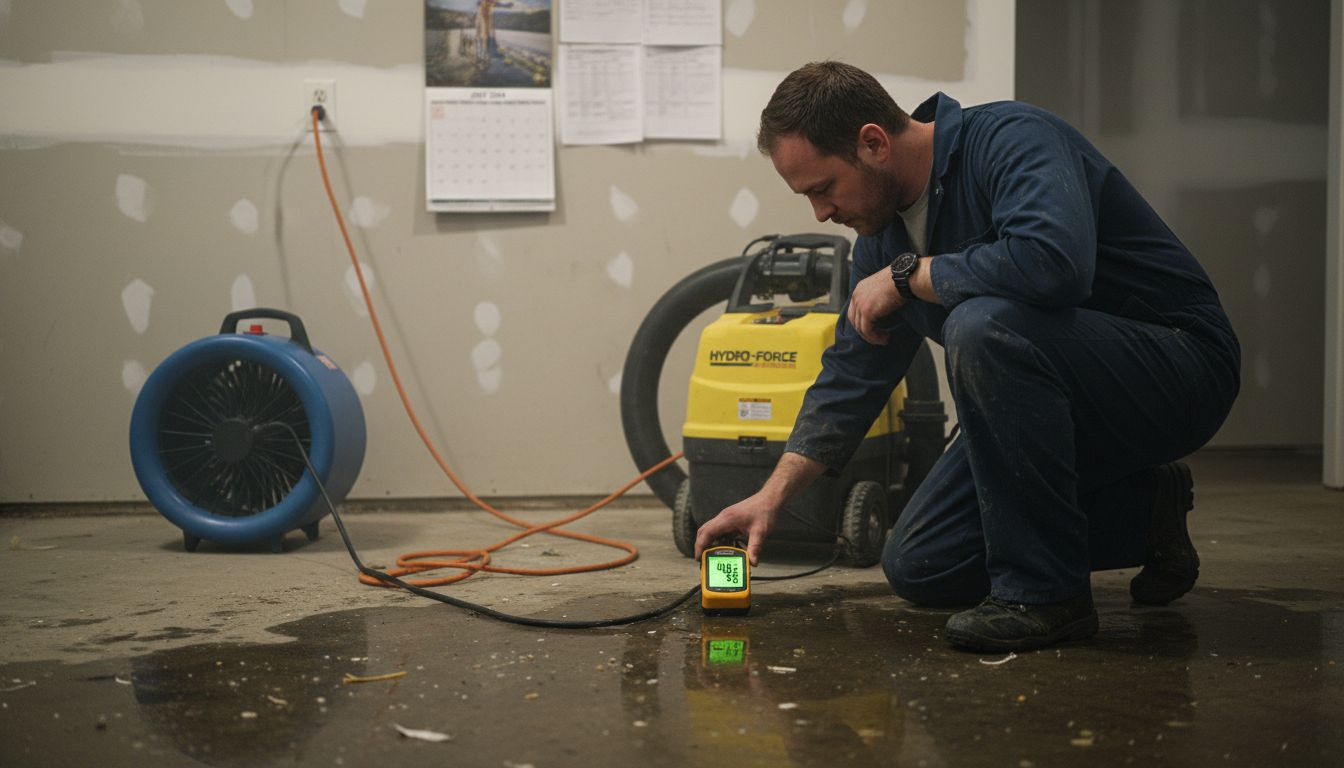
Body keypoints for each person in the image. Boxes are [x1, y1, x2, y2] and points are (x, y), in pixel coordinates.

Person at [693, 61, 1241, 653]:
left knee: (983, 325)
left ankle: (1045, 593)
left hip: (1178, 368)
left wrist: (910, 277)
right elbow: (852, 378)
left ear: (872, 143)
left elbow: (1053, 263)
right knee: (921, 563)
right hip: (1056, 404)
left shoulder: (1013, 139)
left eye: (823, 188)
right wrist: (769, 499)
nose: (820, 214)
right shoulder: (880, 238)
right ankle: (1145, 513)